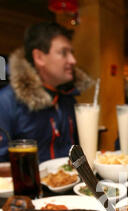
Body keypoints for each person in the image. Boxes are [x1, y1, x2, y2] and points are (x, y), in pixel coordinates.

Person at [0, 22, 93, 163]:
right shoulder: (6, 102)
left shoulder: (68, 99)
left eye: (72, 53)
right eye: (63, 53)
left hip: (72, 182)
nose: (73, 60)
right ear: (39, 57)